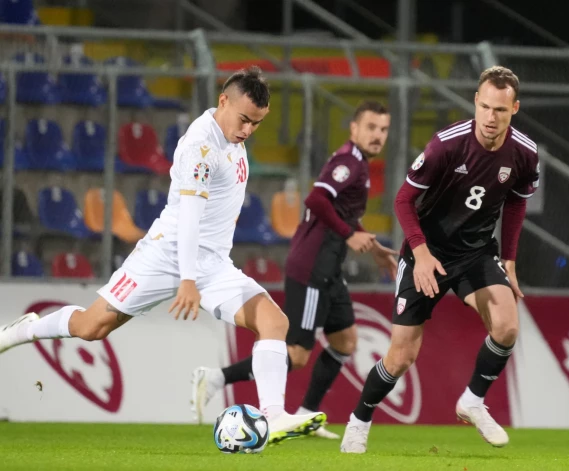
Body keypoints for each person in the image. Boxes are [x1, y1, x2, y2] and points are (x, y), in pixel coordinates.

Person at [0, 66, 326, 444]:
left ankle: (273, 417)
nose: (249, 130)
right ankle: (23, 329)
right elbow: (188, 219)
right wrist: (187, 279)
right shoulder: (199, 147)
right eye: (245, 119)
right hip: (166, 255)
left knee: (274, 323)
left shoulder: (233, 140)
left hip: (214, 264)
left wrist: (204, 266)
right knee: (92, 327)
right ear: (223, 101)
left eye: (257, 123)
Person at [340, 66, 540, 453]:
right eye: (483, 107)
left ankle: (473, 401)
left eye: (499, 109)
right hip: (426, 251)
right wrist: (420, 253)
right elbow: (402, 200)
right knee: (401, 356)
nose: (490, 117)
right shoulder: (447, 145)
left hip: (477, 251)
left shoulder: (525, 153)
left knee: (507, 325)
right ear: (475, 104)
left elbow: (516, 202)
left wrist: (510, 261)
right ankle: (359, 420)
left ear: (514, 108)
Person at [191, 101, 398, 439]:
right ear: (354, 129)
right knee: (297, 355)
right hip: (313, 266)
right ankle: (216, 377)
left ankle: (305, 416)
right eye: (371, 127)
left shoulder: (358, 163)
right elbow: (316, 199)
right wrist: (350, 234)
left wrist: (371, 247)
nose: (378, 135)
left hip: (330, 269)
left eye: (383, 130)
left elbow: (342, 211)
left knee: (345, 341)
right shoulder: (348, 162)